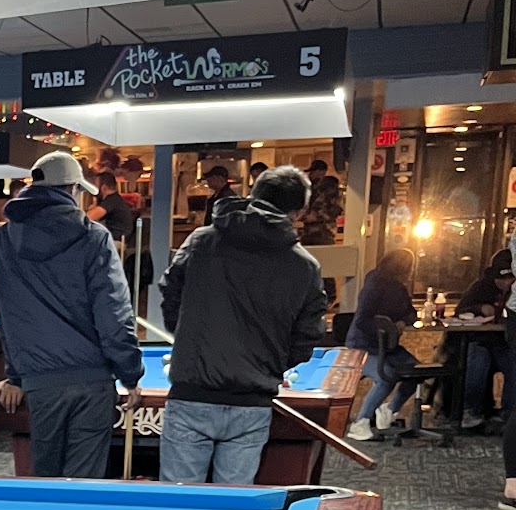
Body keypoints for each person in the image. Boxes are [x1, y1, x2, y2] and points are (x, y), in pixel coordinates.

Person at [157, 165, 327, 485]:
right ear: (299, 212)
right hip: (252, 401)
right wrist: (272, 362)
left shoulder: (202, 241)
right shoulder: (305, 266)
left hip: (192, 393)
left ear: (252, 194)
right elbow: (307, 336)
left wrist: (189, 339)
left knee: (179, 503)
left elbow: (170, 295)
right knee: (232, 504)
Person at [0, 150, 142, 479]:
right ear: (73, 189)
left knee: (47, 483)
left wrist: (17, 375)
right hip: (92, 380)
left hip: (39, 382)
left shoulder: (0, 240)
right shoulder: (94, 236)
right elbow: (113, 312)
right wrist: (130, 374)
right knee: (84, 487)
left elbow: (3, 313)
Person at [346, 248, 421, 440]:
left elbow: (412, 313)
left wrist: (403, 321)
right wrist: (388, 329)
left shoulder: (400, 289)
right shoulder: (374, 285)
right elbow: (362, 320)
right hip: (363, 345)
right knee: (385, 376)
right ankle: (360, 423)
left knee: (416, 372)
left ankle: (389, 410)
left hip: (387, 346)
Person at [454, 249, 514, 429]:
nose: (506, 284)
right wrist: (479, 308)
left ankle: (509, 413)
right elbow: (460, 311)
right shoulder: (481, 287)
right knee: (478, 359)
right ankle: (471, 411)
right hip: (479, 339)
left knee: (513, 362)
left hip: (503, 341)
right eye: (501, 279)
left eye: (510, 279)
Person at [90, 171, 136, 246]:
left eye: (95, 185)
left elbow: (89, 217)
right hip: (113, 239)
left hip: (116, 242)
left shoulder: (112, 200)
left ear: (103, 187)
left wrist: (94, 200)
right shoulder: (114, 199)